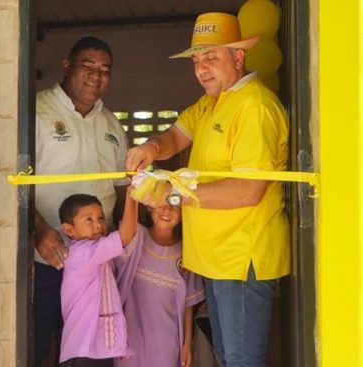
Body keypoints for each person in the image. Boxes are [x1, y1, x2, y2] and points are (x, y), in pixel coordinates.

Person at [125, 12, 290, 367]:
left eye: (211, 58)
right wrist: (150, 149)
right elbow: (174, 135)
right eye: (197, 61)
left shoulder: (254, 107)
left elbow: (248, 192)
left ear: (238, 56)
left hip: (240, 258)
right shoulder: (213, 102)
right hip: (215, 258)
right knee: (229, 357)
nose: (201, 69)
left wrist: (170, 194)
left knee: (243, 360)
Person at [33, 36, 129, 366]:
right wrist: (38, 231)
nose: (96, 75)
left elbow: (122, 188)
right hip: (49, 258)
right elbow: (15, 185)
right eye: (87, 66)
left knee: (86, 351)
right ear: (66, 66)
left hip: (95, 265)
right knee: (36, 340)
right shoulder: (36, 112)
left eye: (104, 70)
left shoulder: (111, 124)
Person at [113, 204, 205, 367]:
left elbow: (188, 305)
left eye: (175, 206)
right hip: (129, 338)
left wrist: (187, 344)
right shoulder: (136, 236)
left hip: (167, 341)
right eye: (161, 203)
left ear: (184, 214)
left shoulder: (186, 252)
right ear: (149, 206)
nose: (167, 210)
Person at [58, 190, 137, 367]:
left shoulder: (97, 254)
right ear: (68, 229)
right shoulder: (83, 253)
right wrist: (132, 195)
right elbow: (127, 235)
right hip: (82, 351)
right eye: (89, 220)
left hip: (93, 350)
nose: (98, 225)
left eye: (101, 218)